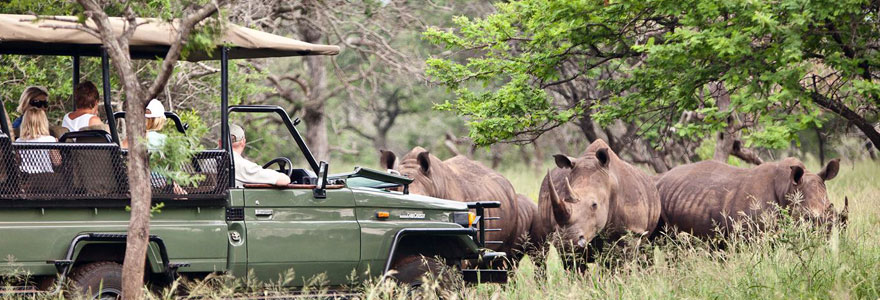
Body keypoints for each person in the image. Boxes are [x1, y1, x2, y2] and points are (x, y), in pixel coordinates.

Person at [16, 107, 60, 173]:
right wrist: (57, 148)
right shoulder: (50, 140)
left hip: (26, 176)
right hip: (46, 176)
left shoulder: (19, 141)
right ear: (43, 122)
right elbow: (57, 162)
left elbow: (17, 161)